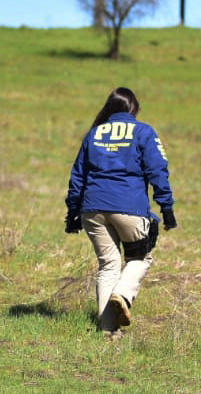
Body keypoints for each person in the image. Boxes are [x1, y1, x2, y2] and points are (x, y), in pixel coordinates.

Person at [65, 87, 175, 336]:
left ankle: (107, 331)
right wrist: (166, 208)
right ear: (133, 109)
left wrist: (72, 213)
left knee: (108, 266)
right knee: (140, 258)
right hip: (128, 207)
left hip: (91, 209)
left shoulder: (94, 133)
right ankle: (123, 295)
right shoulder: (143, 131)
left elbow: (77, 176)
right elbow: (158, 171)